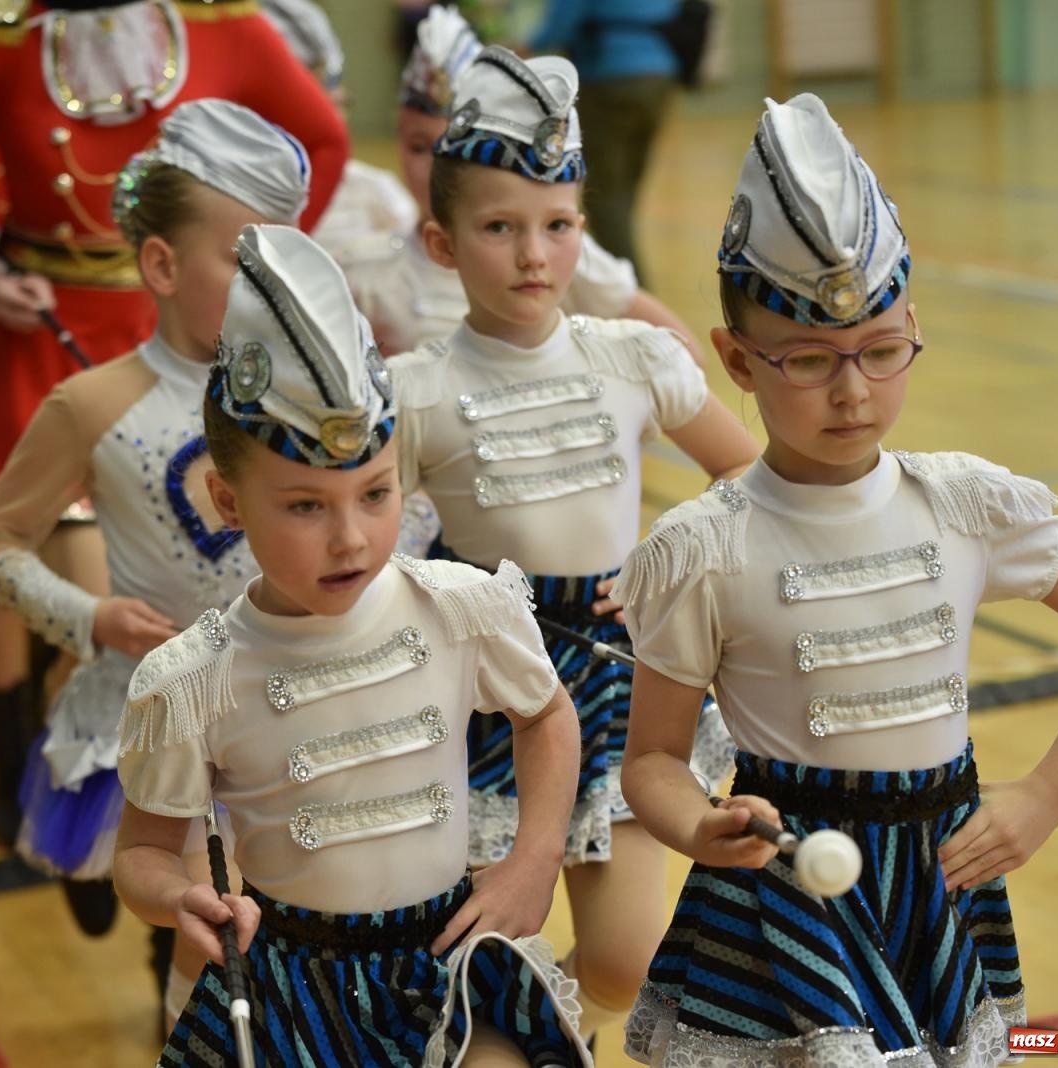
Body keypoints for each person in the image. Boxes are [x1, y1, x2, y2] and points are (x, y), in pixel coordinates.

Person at [614, 93, 1058, 1065]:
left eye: (881, 351)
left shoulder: (962, 508)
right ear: (735, 360)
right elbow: (653, 762)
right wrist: (700, 828)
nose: (852, 390)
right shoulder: (706, 548)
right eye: (809, 360)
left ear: (913, 325)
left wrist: (1046, 795)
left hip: (941, 887)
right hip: (785, 890)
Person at [115, 223, 590, 1067]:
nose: (351, 539)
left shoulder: (463, 609)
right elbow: (144, 850)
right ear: (228, 501)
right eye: (304, 506)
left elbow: (546, 713)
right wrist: (179, 896)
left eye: (375, 494)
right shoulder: (195, 679)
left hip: (449, 957)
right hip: (298, 986)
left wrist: (534, 853)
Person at [0, 0, 350, 852]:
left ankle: (167, 835)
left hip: (211, 337)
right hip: (50, 340)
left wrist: (268, 264)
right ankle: (34, 776)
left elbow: (325, 141)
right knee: (85, 588)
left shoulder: (227, 24)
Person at [386, 46, 757, 1047]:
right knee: (486, 953)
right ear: (442, 241)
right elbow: (365, 534)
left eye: (554, 227)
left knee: (623, 957)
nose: (531, 254)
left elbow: (751, 483)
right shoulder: (412, 390)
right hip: (485, 691)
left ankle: (583, 1031)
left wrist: (670, 569)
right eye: (498, 228)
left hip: (616, 679)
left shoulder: (628, 359)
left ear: (580, 234)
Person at [0, 100, 306, 977]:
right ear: (160, 263)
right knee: (207, 938)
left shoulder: (303, 396)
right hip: (154, 712)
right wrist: (91, 618)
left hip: (280, 702)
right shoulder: (93, 404)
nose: (268, 284)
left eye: (283, 260)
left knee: (253, 927)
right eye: (240, 260)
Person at [331, 5, 702, 364]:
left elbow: (682, 354)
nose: (432, 168)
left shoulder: (561, 257)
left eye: (448, 149)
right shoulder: (366, 275)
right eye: (417, 146)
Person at [527, 0, 681, 284]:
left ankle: (628, 293)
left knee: (605, 198)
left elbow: (560, 24)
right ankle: (624, 280)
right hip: (659, 76)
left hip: (609, 78)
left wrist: (526, 48)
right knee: (623, 192)